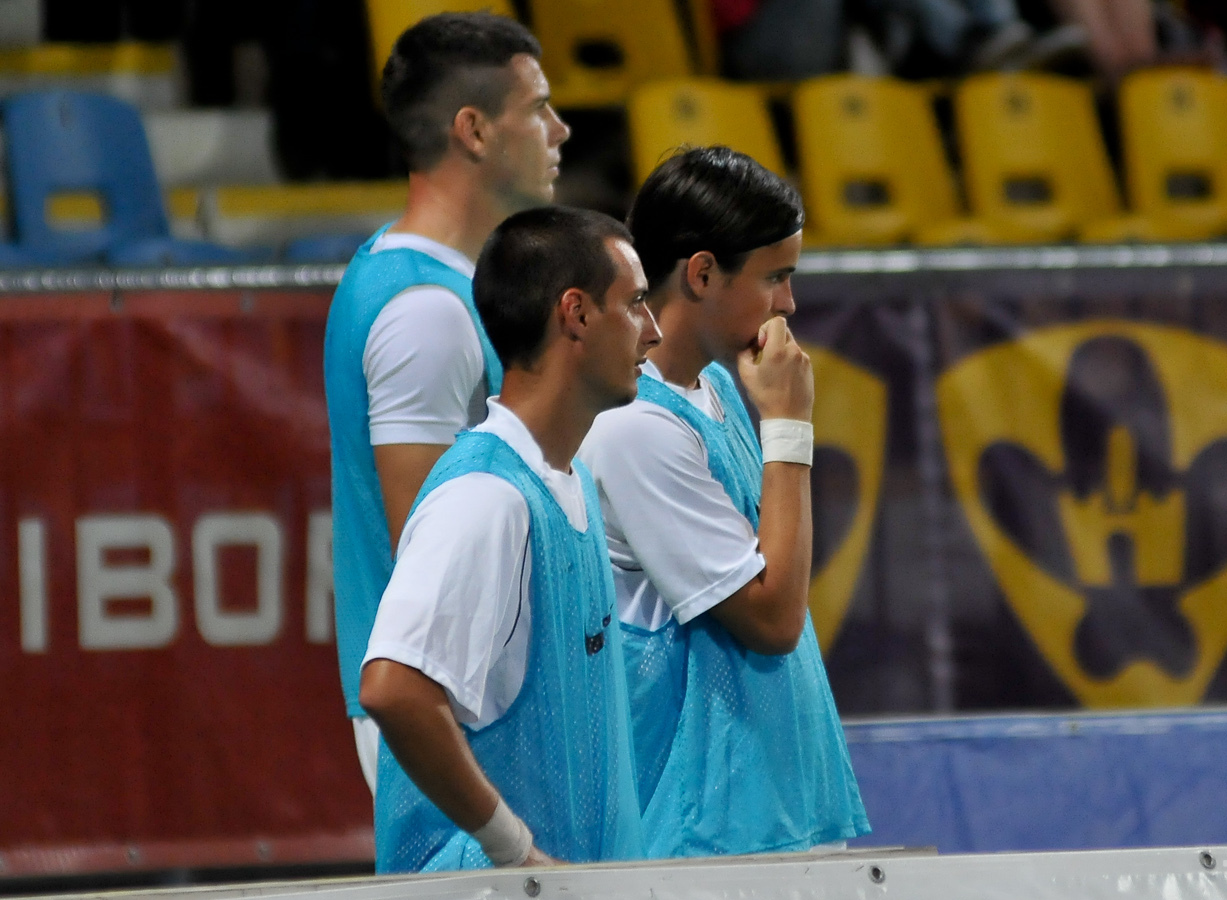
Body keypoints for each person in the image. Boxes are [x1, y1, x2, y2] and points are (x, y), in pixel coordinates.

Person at [578, 146, 871, 858]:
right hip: (706, 836)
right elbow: (773, 619)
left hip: (778, 809)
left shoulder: (716, 386)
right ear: (703, 273)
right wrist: (790, 427)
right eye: (775, 277)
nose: (789, 304)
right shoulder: (635, 427)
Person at [359, 206, 660, 872]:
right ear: (576, 314)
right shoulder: (485, 497)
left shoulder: (569, 480)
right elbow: (393, 688)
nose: (654, 330)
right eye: (636, 304)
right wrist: (514, 851)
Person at [324, 11, 570, 795]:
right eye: (538, 108)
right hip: (458, 722)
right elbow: (430, 558)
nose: (560, 131)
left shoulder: (440, 285)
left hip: (479, 709)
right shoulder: (424, 313)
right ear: (474, 130)